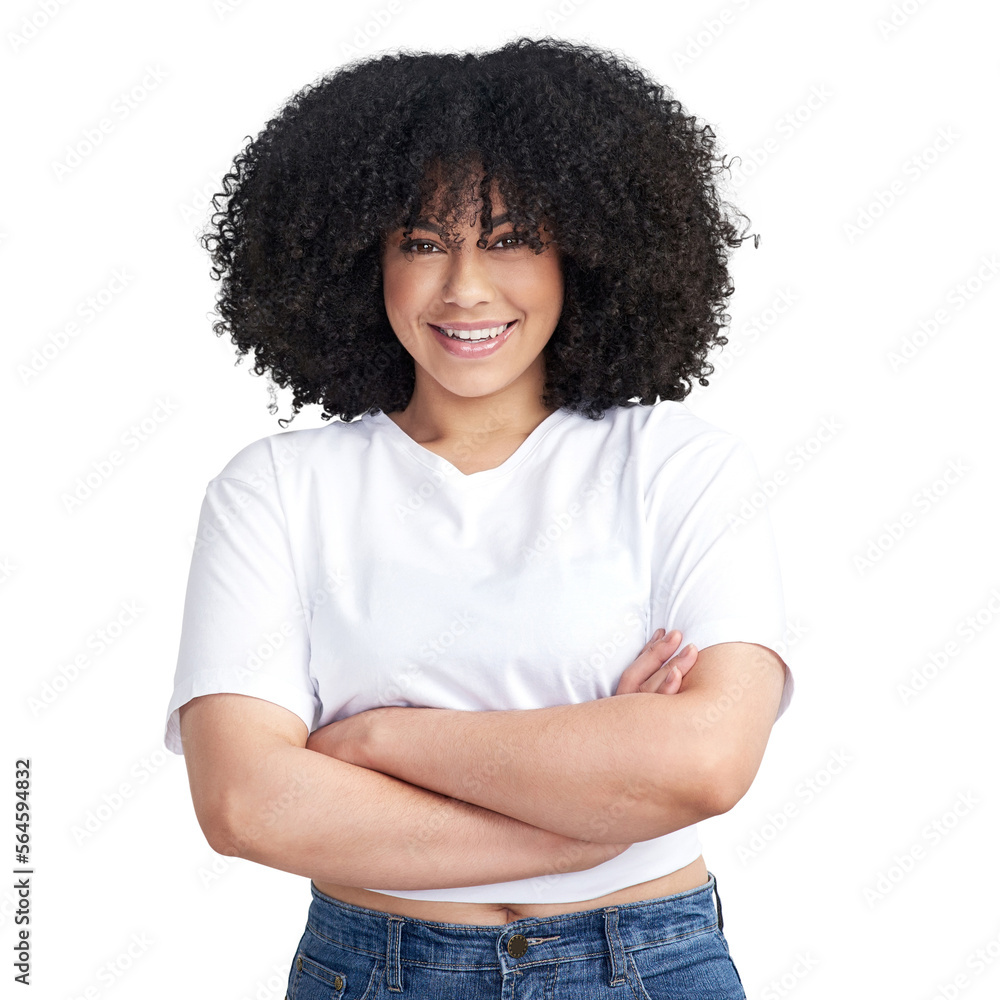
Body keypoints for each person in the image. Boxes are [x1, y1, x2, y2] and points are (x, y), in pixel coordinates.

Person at [165, 37, 794, 999]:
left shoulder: (677, 465)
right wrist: (580, 820)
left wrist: (378, 741)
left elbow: (705, 762)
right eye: (421, 242)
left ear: (584, 252)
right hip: (375, 971)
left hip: (647, 964)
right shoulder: (276, 490)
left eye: (508, 240)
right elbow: (249, 803)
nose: (464, 287)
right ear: (360, 260)